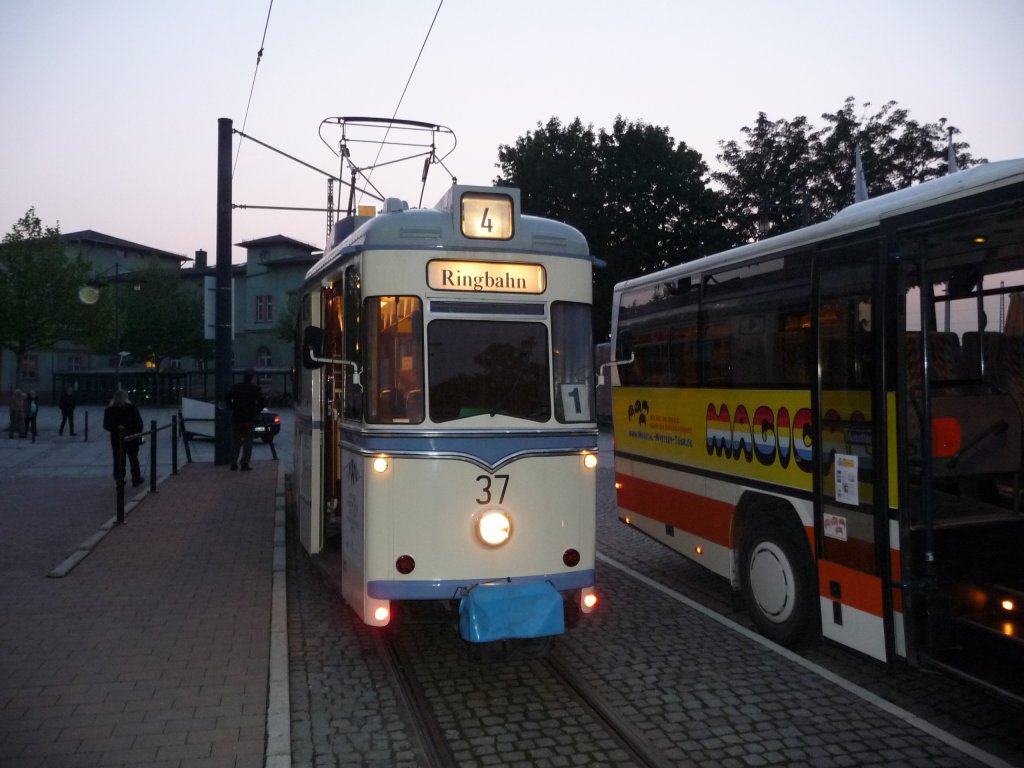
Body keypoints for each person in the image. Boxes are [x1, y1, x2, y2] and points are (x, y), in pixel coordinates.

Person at [225, 368, 265, 471]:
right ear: (251, 377)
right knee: (248, 443)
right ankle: (244, 463)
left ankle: (233, 463)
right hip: (249, 419)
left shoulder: (236, 387)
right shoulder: (255, 389)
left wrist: (233, 407)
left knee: (235, 442)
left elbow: (227, 398)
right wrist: (256, 412)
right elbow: (262, 403)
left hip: (237, 418)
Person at [103, 389, 144, 487]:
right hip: (131, 437)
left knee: (118, 460)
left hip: (117, 438)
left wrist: (116, 428)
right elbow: (139, 424)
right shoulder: (132, 408)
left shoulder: (109, 409)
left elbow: (106, 425)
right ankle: (136, 479)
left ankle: (119, 480)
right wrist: (136, 432)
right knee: (134, 459)